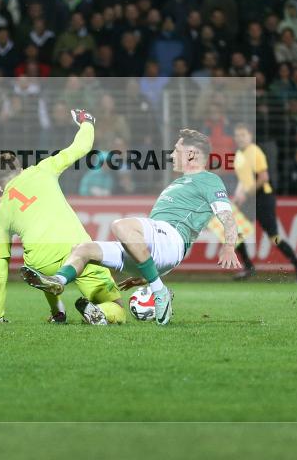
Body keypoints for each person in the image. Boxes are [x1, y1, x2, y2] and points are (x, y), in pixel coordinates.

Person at [23, 128, 240, 326]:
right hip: (156, 248)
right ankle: (57, 281)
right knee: (83, 249)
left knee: (121, 226)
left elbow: (227, 217)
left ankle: (159, 292)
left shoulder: (209, 180)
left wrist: (229, 245)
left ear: (191, 154)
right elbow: (165, 253)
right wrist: (148, 272)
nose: (172, 155)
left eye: (176, 150)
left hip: (170, 238)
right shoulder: (178, 183)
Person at [0, 110, 125, 326]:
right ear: (21, 169)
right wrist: (86, 121)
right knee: (117, 307)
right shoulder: (42, 169)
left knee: (39, 268)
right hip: (79, 250)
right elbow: (82, 147)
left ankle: (58, 312)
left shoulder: (1, 212)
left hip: (42, 261)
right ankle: (100, 311)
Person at [230, 124, 297, 281]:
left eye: (243, 135)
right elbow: (244, 179)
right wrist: (239, 195)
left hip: (263, 198)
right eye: (237, 135)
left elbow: (263, 178)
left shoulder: (255, 152)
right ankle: (249, 267)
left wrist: (245, 194)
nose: (240, 138)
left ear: (250, 136)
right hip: (250, 199)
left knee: (273, 237)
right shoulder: (239, 154)